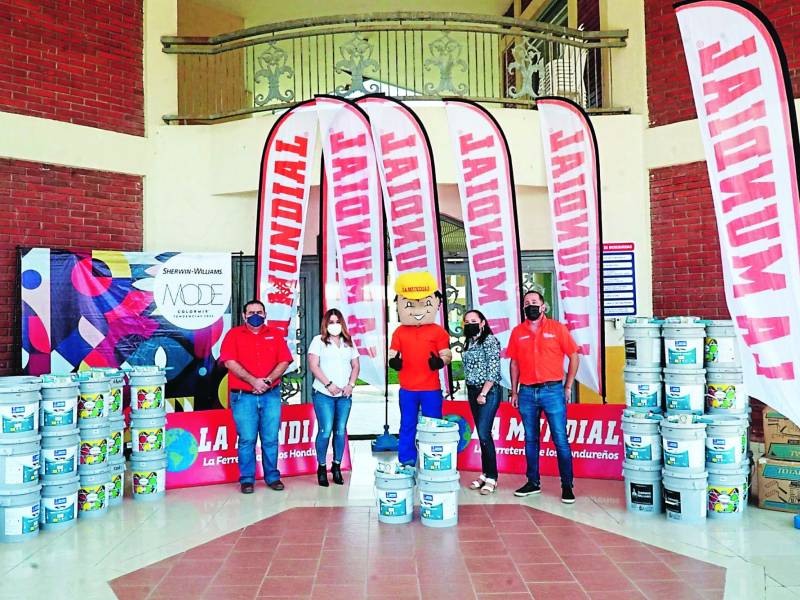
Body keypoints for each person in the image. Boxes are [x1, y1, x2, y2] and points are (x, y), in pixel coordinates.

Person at [507, 290, 580, 503]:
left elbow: (574, 357)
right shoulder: (517, 332)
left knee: (560, 439)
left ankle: (567, 486)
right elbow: (514, 363)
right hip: (527, 392)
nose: (530, 305)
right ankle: (533, 482)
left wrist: (568, 386)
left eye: (534, 302)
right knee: (530, 439)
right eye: (526, 303)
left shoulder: (557, 329)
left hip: (553, 391)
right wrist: (514, 391)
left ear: (543, 306)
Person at [220, 299, 292, 494]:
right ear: (244, 316)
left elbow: (284, 361)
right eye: (251, 312)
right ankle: (247, 479)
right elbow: (229, 362)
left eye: (259, 312)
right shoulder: (233, 335)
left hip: (271, 395)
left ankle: (272, 477)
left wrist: (267, 381)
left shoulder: (275, 334)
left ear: (265, 314)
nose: (255, 316)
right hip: (243, 397)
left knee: (270, 439)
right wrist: (254, 381)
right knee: (247, 439)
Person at [388, 271, 452, 466]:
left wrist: (440, 362)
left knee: (433, 426)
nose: (417, 310)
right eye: (409, 304)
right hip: (407, 389)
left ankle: (432, 460)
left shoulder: (438, 331)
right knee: (407, 424)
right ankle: (406, 461)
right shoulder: (399, 332)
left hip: (431, 389)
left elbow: (447, 354)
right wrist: (393, 362)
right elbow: (392, 353)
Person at [307, 308, 360, 487]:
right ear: (326, 324)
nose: (335, 325)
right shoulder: (318, 341)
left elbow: (356, 365)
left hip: (344, 395)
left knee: (340, 430)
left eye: (338, 322)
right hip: (324, 394)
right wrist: (328, 384)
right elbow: (313, 365)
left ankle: (336, 466)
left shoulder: (348, 342)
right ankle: (322, 466)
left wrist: (351, 385)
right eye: (331, 322)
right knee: (325, 430)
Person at [461, 309, 501, 495]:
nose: (470, 324)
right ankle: (485, 473)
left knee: (484, 434)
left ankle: (492, 477)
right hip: (472, 391)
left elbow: (493, 370)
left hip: (487, 392)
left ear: (482, 322)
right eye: (467, 321)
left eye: (474, 320)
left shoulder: (490, 341)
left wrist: (483, 393)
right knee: (482, 434)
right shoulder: (470, 341)